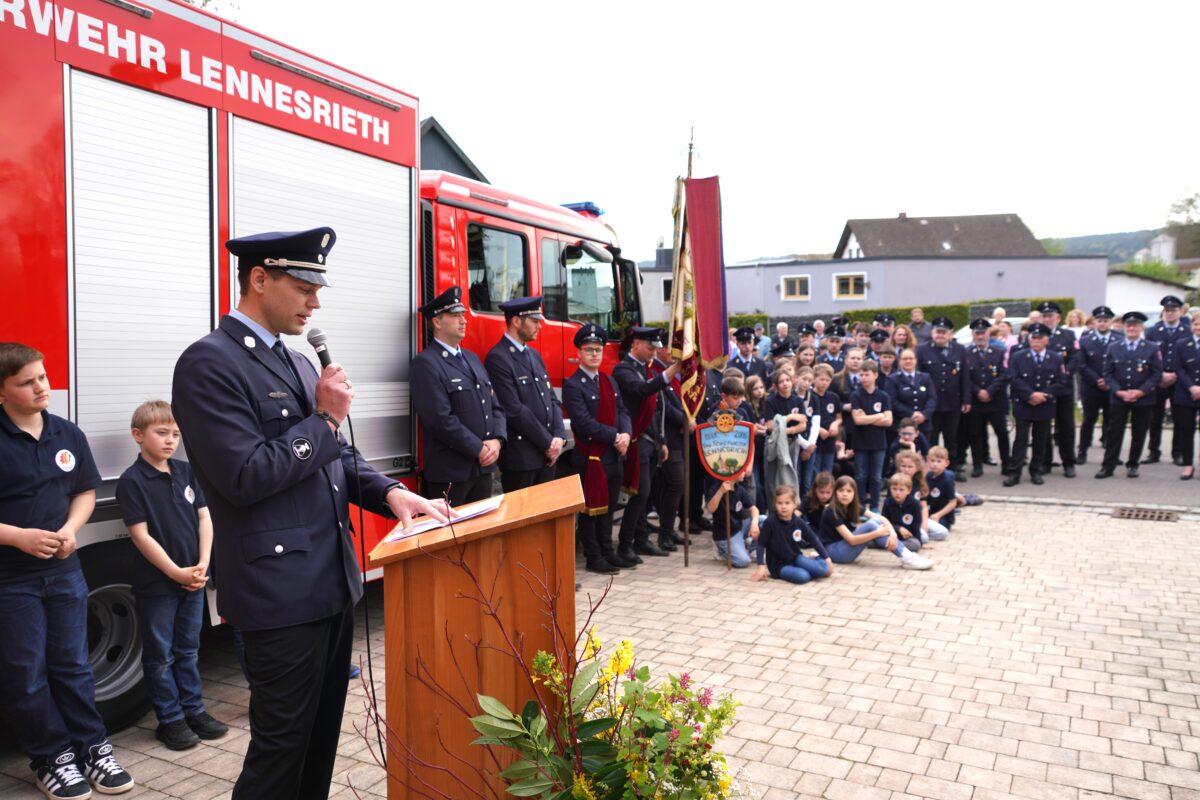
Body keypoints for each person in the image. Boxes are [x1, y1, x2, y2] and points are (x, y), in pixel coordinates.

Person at [171, 227, 449, 800]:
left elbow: (335, 456)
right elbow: (245, 476)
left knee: (318, 744)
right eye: (303, 288)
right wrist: (323, 419)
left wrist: (390, 494)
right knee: (279, 754)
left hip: (331, 582)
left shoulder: (297, 362)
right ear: (258, 279)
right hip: (278, 594)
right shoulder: (209, 363)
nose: (314, 303)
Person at [0, 343, 135, 799]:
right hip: (10, 580)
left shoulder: (66, 433)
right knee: (27, 673)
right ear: (1, 392)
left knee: (74, 665)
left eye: (42, 377)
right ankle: (51, 758)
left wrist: (71, 529)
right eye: (27, 382)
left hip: (64, 571)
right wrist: (17, 537)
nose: (42, 387)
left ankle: (93, 748)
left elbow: (84, 491)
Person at [115, 401, 228, 751]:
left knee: (188, 649)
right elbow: (141, 536)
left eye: (175, 434)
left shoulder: (186, 472)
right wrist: (176, 572)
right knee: (160, 655)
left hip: (193, 578)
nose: (170, 441)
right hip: (158, 585)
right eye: (161, 433)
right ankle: (170, 719)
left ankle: (194, 710)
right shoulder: (132, 481)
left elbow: (205, 518)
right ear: (138, 435)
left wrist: (203, 563)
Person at [412, 286, 506, 505]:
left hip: (482, 468)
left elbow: (495, 406)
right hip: (451, 474)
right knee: (452, 528)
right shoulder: (426, 363)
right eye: (455, 316)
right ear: (437, 322)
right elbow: (440, 420)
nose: (463, 321)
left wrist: (498, 441)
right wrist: (479, 449)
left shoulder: (472, 359)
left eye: (463, 315)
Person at [563, 324, 634, 573]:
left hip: (613, 456)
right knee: (591, 509)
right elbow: (584, 423)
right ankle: (593, 556)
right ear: (579, 353)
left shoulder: (608, 380)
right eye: (589, 350)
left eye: (598, 350)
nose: (594, 354)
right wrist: (615, 436)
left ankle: (607, 551)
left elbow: (622, 411)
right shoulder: (573, 385)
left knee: (609, 506)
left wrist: (626, 434)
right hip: (591, 457)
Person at [483, 296, 564, 493]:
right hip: (522, 458)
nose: (539, 326)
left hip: (547, 456)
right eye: (534, 321)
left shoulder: (534, 355)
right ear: (516, 321)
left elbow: (552, 399)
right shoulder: (498, 357)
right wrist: (548, 443)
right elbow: (513, 410)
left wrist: (559, 437)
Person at [613, 327, 680, 562]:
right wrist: (673, 371)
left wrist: (662, 441)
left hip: (650, 441)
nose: (653, 352)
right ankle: (625, 544)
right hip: (635, 441)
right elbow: (642, 391)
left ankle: (640, 539)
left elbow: (656, 410)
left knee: (645, 493)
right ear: (636, 344)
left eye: (655, 348)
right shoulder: (623, 369)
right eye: (650, 347)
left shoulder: (644, 369)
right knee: (639, 494)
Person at [1096, 311, 1162, 479]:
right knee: (1114, 433)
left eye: (1135, 325)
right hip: (1119, 397)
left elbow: (1156, 374)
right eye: (1129, 326)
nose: (1131, 328)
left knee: (1139, 432)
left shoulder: (1152, 347)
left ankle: (1133, 464)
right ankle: (1108, 466)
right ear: (1124, 327)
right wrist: (1118, 391)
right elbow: (1107, 373)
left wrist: (1141, 391)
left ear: (1142, 328)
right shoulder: (1113, 347)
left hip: (1143, 398)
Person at [816, 476, 931, 569]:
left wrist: (893, 534)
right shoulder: (831, 511)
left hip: (844, 547)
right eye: (841, 490)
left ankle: (907, 556)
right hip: (834, 552)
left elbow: (881, 518)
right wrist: (877, 533)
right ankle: (908, 557)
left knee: (875, 521)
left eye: (849, 491)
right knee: (871, 525)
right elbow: (851, 540)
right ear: (835, 493)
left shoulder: (853, 506)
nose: (845, 494)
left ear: (854, 493)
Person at [1004, 323, 1067, 486]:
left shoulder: (1056, 358)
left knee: (1041, 439)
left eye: (1040, 338)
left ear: (1047, 340)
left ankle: (1036, 470)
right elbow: (1013, 378)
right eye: (1033, 338)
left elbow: (1061, 381)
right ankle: (1015, 472)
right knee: (1021, 439)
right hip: (1024, 403)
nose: (1036, 341)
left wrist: (1043, 395)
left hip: (1044, 404)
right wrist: (1030, 394)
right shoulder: (1018, 356)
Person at [916, 316, 971, 480]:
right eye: (937, 331)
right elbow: (919, 377)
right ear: (932, 332)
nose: (940, 335)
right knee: (931, 438)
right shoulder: (922, 349)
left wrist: (966, 399)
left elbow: (965, 376)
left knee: (951, 438)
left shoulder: (960, 349)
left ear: (950, 333)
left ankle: (951, 470)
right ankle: (931, 471)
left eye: (943, 332)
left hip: (953, 402)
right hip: (931, 404)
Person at [751, 485, 831, 584]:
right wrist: (761, 566)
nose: (783, 506)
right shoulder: (770, 522)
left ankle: (817, 559)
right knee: (803, 577)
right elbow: (760, 544)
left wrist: (826, 558)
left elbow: (813, 539)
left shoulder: (798, 521)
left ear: (794, 505)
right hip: (779, 565)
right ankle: (809, 566)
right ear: (775, 504)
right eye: (779, 503)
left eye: (787, 503)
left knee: (823, 570)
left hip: (796, 557)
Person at [650, 343, 687, 553]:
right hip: (668, 436)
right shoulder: (657, 373)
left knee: (673, 486)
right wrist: (685, 420)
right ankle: (664, 533)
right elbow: (666, 407)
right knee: (675, 484)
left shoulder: (668, 373)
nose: (674, 353)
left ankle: (668, 529)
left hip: (677, 437)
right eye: (670, 348)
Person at [1035, 301, 1079, 478]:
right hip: (1044, 390)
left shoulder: (1068, 335)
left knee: (1066, 427)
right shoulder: (1035, 335)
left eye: (1050, 316)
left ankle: (1069, 463)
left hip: (1063, 389)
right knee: (1043, 428)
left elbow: (1075, 359)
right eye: (1044, 316)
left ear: (1058, 318)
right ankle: (1045, 462)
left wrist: (1063, 375)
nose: (1047, 319)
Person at [1145, 294, 1190, 465]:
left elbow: (1189, 358)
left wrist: (1176, 374)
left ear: (1180, 312)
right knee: (1154, 418)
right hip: (1158, 380)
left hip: (1179, 381)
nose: (1170, 313)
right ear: (1163, 312)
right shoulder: (1153, 331)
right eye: (1167, 310)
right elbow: (1146, 356)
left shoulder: (1187, 331)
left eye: (1173, 310)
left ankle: (1177, 452)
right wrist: (1160, 375)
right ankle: (1153, 451)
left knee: (1179, 418)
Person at [964, 318, 1010, 478]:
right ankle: (977, 464)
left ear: (988, 333)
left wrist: (989, 391)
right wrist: (978, 392)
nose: (980, 336)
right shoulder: (966, 353)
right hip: (976, 401)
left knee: (1002, 433)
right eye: (977, 333)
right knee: (975, 434)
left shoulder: (999, 352)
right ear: (973, 334)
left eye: (983, 333)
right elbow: (965, 378)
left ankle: (1006, 464)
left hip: (995, 401)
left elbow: (1004, 375)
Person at [849, 360, 892, 513]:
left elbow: (888, 421)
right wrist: (879, 416)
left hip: (879, 443)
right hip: (861, 442)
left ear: (875, 375)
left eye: (867, 375)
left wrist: (867, 417)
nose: (863, 378)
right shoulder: (856, 395)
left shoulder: (883, 396)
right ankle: (860, 507)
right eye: (861, 375)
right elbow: (858, 420)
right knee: (861, 476)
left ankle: (874, 506)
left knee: (876, 477)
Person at [1077, 305, 1116, 465]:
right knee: (1089, 420)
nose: (1102, 323)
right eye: (1099, 320)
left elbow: (1121, 364)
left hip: (1112, 387)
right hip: (1091, 387)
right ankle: (1082, 451)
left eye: (1106, 320)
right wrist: (1097, 380)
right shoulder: (1085, 340)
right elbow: (1081, 365)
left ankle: (1111, 453)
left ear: (1111, 322)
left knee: (1111, 421)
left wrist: (1108, 381)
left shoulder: (1119, 339)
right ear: (1094, 322)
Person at [704, 473, 759, 568]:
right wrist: (721, 492)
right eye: (741, 471)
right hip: (726, 535)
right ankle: (722, 549)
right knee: (743, 561)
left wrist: (754, 523)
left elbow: (753, 509)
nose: (744, 473)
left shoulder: (740, 489)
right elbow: (711, 508)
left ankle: (752, 549)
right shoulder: (716, 488)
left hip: (739, 528)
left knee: (763, 520)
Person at [1171, 312, 1200, 480]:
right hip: (1185, 393)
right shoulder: (1181, 344)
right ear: (1191, 326)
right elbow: (1179, 368)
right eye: (1196, 324)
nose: (1199, 327)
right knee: (1186, 431)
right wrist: (1192, 387)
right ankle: (1188, 465)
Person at [886, 348, 937, 440]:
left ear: (916, 360)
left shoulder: (925, 377)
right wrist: (911, 414)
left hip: (923, 425)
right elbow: (892, 401)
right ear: (899, 361)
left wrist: (924, 415)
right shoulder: (893, 379)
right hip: (902, 425)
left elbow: (932, 398)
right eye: (905, 359)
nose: (908, 361)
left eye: (911, 358)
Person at [810, 364, 841, 478]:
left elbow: (839, 417)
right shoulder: (809, 397)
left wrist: (835, 424)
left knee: (827, 472)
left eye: (827, 380)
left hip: (829, 442)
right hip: (815, 441)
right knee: (815, 473)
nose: (824, 383)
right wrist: (818, 429)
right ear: (814, 379)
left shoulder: (834, 397)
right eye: (822, 379)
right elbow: (806, 418)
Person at [881, 473, 924, 553]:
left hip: (908, 536)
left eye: (901, 490)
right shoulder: (887, 502)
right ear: (890, 489)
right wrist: (899, 528)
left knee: (916, 543)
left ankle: (892, 545)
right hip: (891, 534)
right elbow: (884, 522)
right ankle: (893, 545)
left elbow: (916, 524)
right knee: (872, 540)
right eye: (894, 489)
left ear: (909, 490)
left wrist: (919, 542)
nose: (897, 492)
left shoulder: (914, 504)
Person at [924, 446, 957, 535]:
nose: (935, 464)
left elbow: (952, 503)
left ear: (946, 463)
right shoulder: (927, 476)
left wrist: (938, 515)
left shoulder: (947, 480)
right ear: (927, 461)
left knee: (937, 528)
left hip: (943, 516)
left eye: (939, 461)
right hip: (930, 512)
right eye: (932, 461)